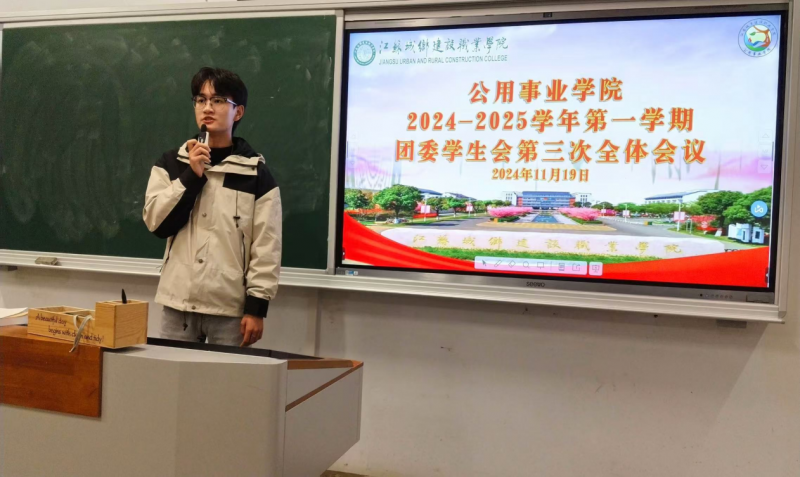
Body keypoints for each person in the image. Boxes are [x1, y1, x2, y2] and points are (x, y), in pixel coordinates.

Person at [143, 67, 281, 346]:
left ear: (237, 112)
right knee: (172, 374)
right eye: (200, 99)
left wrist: (256, 308)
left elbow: (267, 245)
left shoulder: (255, 173)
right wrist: (190, 177)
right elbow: (157, 224)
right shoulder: (171, 163)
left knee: (224, 376)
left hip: (229, 308)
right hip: (178, 303)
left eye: (218, 100)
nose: (207, 107)